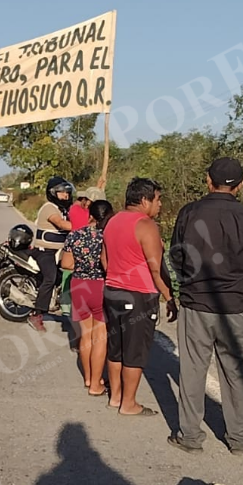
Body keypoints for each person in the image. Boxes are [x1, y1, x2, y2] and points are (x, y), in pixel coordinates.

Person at [167, 158, 243, 454]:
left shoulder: (189, 212)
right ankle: (240, 439)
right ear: (241, 185)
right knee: (236, 373)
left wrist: (189, 284)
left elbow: (176, 256)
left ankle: (190, 436)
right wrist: (239, 285)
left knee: (192, 370)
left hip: (196, 302)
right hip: (235, 305)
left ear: (208, 181)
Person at [100, 178, 174, 416]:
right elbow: (155, 267)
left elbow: (105, 258)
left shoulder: (112, 222)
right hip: (138, 295)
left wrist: (116, 275)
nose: (159, 204)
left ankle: (116, 397)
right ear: (144, 200)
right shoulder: (146, 225)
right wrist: (169, 296)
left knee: (116, 347)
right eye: (157, 199)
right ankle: (129, 403)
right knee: (135, 350)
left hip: (112, 290)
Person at [61, 199, 115, 396]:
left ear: (89, 214)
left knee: (85, 334)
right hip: (101, 285)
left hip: (79, 286)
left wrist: (83, 267)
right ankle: (96, 383)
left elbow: (66, 264)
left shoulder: (75, 235)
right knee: (100, 336)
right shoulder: (109, 235)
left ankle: (87, 377)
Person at [28, 177, 75, 332]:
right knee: (50, 277)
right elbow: (61, 224)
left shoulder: (64, 209)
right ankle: (36, 314)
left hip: (60, 251)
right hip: (44, 251)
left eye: (67, 193)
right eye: (62, 193)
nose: (66, 196)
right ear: (53, 193)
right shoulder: (49, 208)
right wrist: (84, 227)